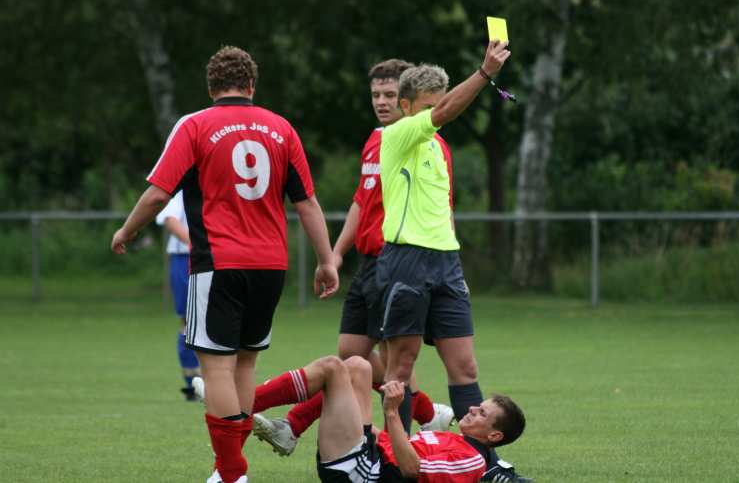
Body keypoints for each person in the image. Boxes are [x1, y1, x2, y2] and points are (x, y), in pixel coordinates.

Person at [111, 46, 339, 483]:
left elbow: (158, 194)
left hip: (219, 263)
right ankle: (227, 470)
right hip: (271, 265)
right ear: (251, 85)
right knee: (245, 366)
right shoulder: (281, 128)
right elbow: (307, 202)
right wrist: (327, 261)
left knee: (216, 367)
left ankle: (232, 472)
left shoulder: (195, 125)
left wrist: (127, 230)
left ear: (211, 86)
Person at [248, 59, 454, 457]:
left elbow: (442, 205)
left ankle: (289, 422)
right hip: (369, 262)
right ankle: (429, 414)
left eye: (390, 95)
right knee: (351, 353)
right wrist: (337, 254)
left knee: (378, 361)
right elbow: (362, 201)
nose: (381, 102)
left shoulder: (420, 142)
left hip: (397, 262)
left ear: (408, 100)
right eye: (376, 94)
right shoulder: (376, 139)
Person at [376, 41, 531, 483]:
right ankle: (397, 463)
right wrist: (484, 73)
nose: (438, 112)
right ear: (407, 107)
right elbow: (444, 113)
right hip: (407, 261)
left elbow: (444, 208)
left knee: (465, 368)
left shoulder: (438, 148)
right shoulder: (397, 135)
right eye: (429, 106)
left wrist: (452, 254)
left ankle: (481, 465)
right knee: (400, 369)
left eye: (438, 103)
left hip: (447, 263)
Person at [196, 355, 526, 482]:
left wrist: (392, 412)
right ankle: (255, 414)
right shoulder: (457, 441)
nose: (472, 409)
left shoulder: (471, 459)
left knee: (332, 368)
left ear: (494, 436)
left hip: (364, 474)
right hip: (370, 456)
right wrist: (367, 425)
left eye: (482, 413)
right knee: (357, 366)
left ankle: (237, 405)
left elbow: (411, 469)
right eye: (478, 406)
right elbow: (397, 448)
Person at [155, 190, 202, 401]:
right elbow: (169, 219)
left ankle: (220, 379)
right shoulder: (184, 193)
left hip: (217, 259)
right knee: (189, 322)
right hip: (186, 260)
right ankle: (192, 382)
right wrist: (196, 245)